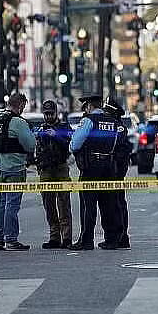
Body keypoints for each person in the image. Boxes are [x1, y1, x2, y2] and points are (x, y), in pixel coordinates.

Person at [68, 95, 127, 251]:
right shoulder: (113, 122)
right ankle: (111, 239)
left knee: (88, 205)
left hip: (91, 166)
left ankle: (86, 240)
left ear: (89, 106)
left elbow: (74, 145)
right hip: (109, 166)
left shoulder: (89, 121)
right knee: (109, 204)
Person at [0, 93, 36, 251]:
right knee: (12, 205)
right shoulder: (18, 122)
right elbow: (30, 145)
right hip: (15, 168)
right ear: (21, 105)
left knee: (3, 203)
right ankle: (11, 239)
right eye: (23, 106)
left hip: (0, 167)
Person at [35, 100, 73, 249]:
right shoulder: (41, 129)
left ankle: (67, 237)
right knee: (49, 204)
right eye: (46, 114)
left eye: (51, 113)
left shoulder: (64, 127)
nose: (49, 116)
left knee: (64, 203)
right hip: (46, 169)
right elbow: (37, 148)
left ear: (56, 113)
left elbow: (70, 145)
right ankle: (54, 236)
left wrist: (56, 135)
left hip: (60, 167)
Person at [103, 97, 133, 249]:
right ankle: (115, 236)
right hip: (111, 169)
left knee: (117, 204)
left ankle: (120, 237)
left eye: (107, 111)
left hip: (116, 170)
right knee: (112, 203)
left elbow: (117, 150)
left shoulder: (118, 127)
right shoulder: (111, 125)